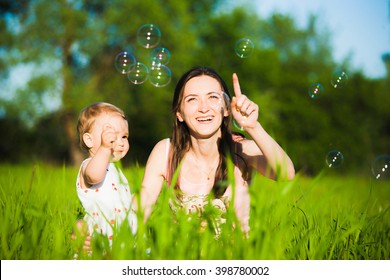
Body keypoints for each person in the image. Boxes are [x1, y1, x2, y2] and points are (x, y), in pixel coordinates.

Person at [138, 66, 295, 235]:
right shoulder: (165, 152)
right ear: (179, 113)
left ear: (227, 108)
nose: (203, 108)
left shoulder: (241, 150)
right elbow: (139, 212)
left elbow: (286, 173)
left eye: (213, 97)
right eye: (192, 99)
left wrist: (253, 127)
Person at [75, 102, 137, 248]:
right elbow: (94, 176)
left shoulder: (116, 170)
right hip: (98, 240)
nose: (121, 142)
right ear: (89, 140)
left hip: (121, 239)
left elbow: (124, 202)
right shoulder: (89, 166)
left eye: (124, 137)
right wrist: (104, 148)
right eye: (111, 137)